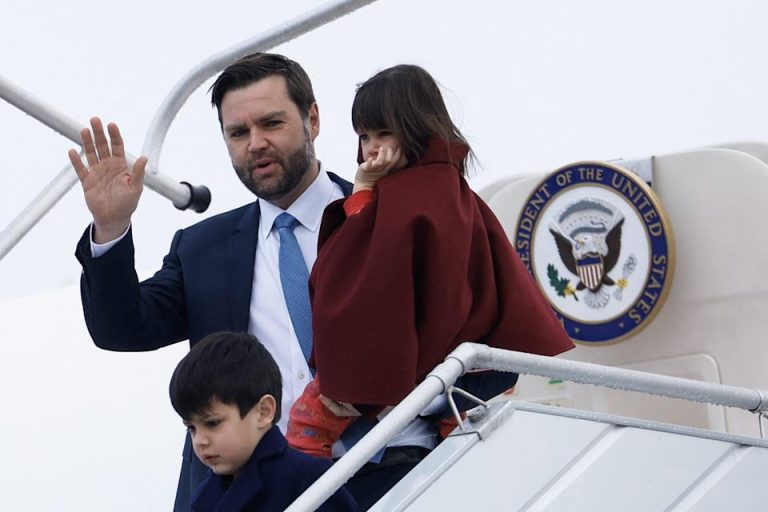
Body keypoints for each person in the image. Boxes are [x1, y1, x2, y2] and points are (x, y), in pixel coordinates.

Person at [69, 53, 353, 511]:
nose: (255, 144)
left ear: (312, 119)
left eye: (271, 123)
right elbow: (120, 329)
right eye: (238, 133)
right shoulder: (202, 248)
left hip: (390, 470)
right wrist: (111, 228)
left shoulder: (384, 216)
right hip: (250, 495)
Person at [286, 64, 575, 507]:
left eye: (382, 133)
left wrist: (362, 194)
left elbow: (362, 275)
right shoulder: (449, 191)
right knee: (464, 469)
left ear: (414, 128)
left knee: (308, 426)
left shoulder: (409, 200)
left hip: (425, 370)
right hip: (472, 372)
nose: (371, 149)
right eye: (364, 136)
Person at [169, 331, 357, 511]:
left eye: (212, 423)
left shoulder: (307, 478)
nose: (200, 440)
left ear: (264, 412)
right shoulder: (205, 496)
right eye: (191, 428)